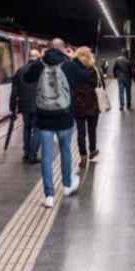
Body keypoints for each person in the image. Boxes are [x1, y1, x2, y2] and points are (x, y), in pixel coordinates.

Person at [23, 38, 91, 208]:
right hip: (64, 117)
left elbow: (27, 78)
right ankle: (67, 185)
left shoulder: (40, 64)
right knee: (65, 150)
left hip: (44, 118)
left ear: (48, 49)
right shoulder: (68, 64)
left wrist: (39, 61)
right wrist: (73, 59)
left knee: (46, 156)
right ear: (63, 49)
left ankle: (49, 196)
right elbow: (86, 77)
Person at [10, 49, 42, 164]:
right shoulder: (42, 70)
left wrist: (12, 108)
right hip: (39, 106)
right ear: (38, 58)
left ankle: (26, 153)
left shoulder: (20, 70)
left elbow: (14, 91)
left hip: (24, 106)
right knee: (38, 130)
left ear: (28, 57)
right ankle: (33, 154)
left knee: (27, 128)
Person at [72, 47, 102, 167]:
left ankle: (83, 155)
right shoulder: (94, 69)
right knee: (92, 130)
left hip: (78, 105)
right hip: (93, 105)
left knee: (81, 132)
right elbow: (101, 85)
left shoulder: (74, 70)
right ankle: (93, 150)